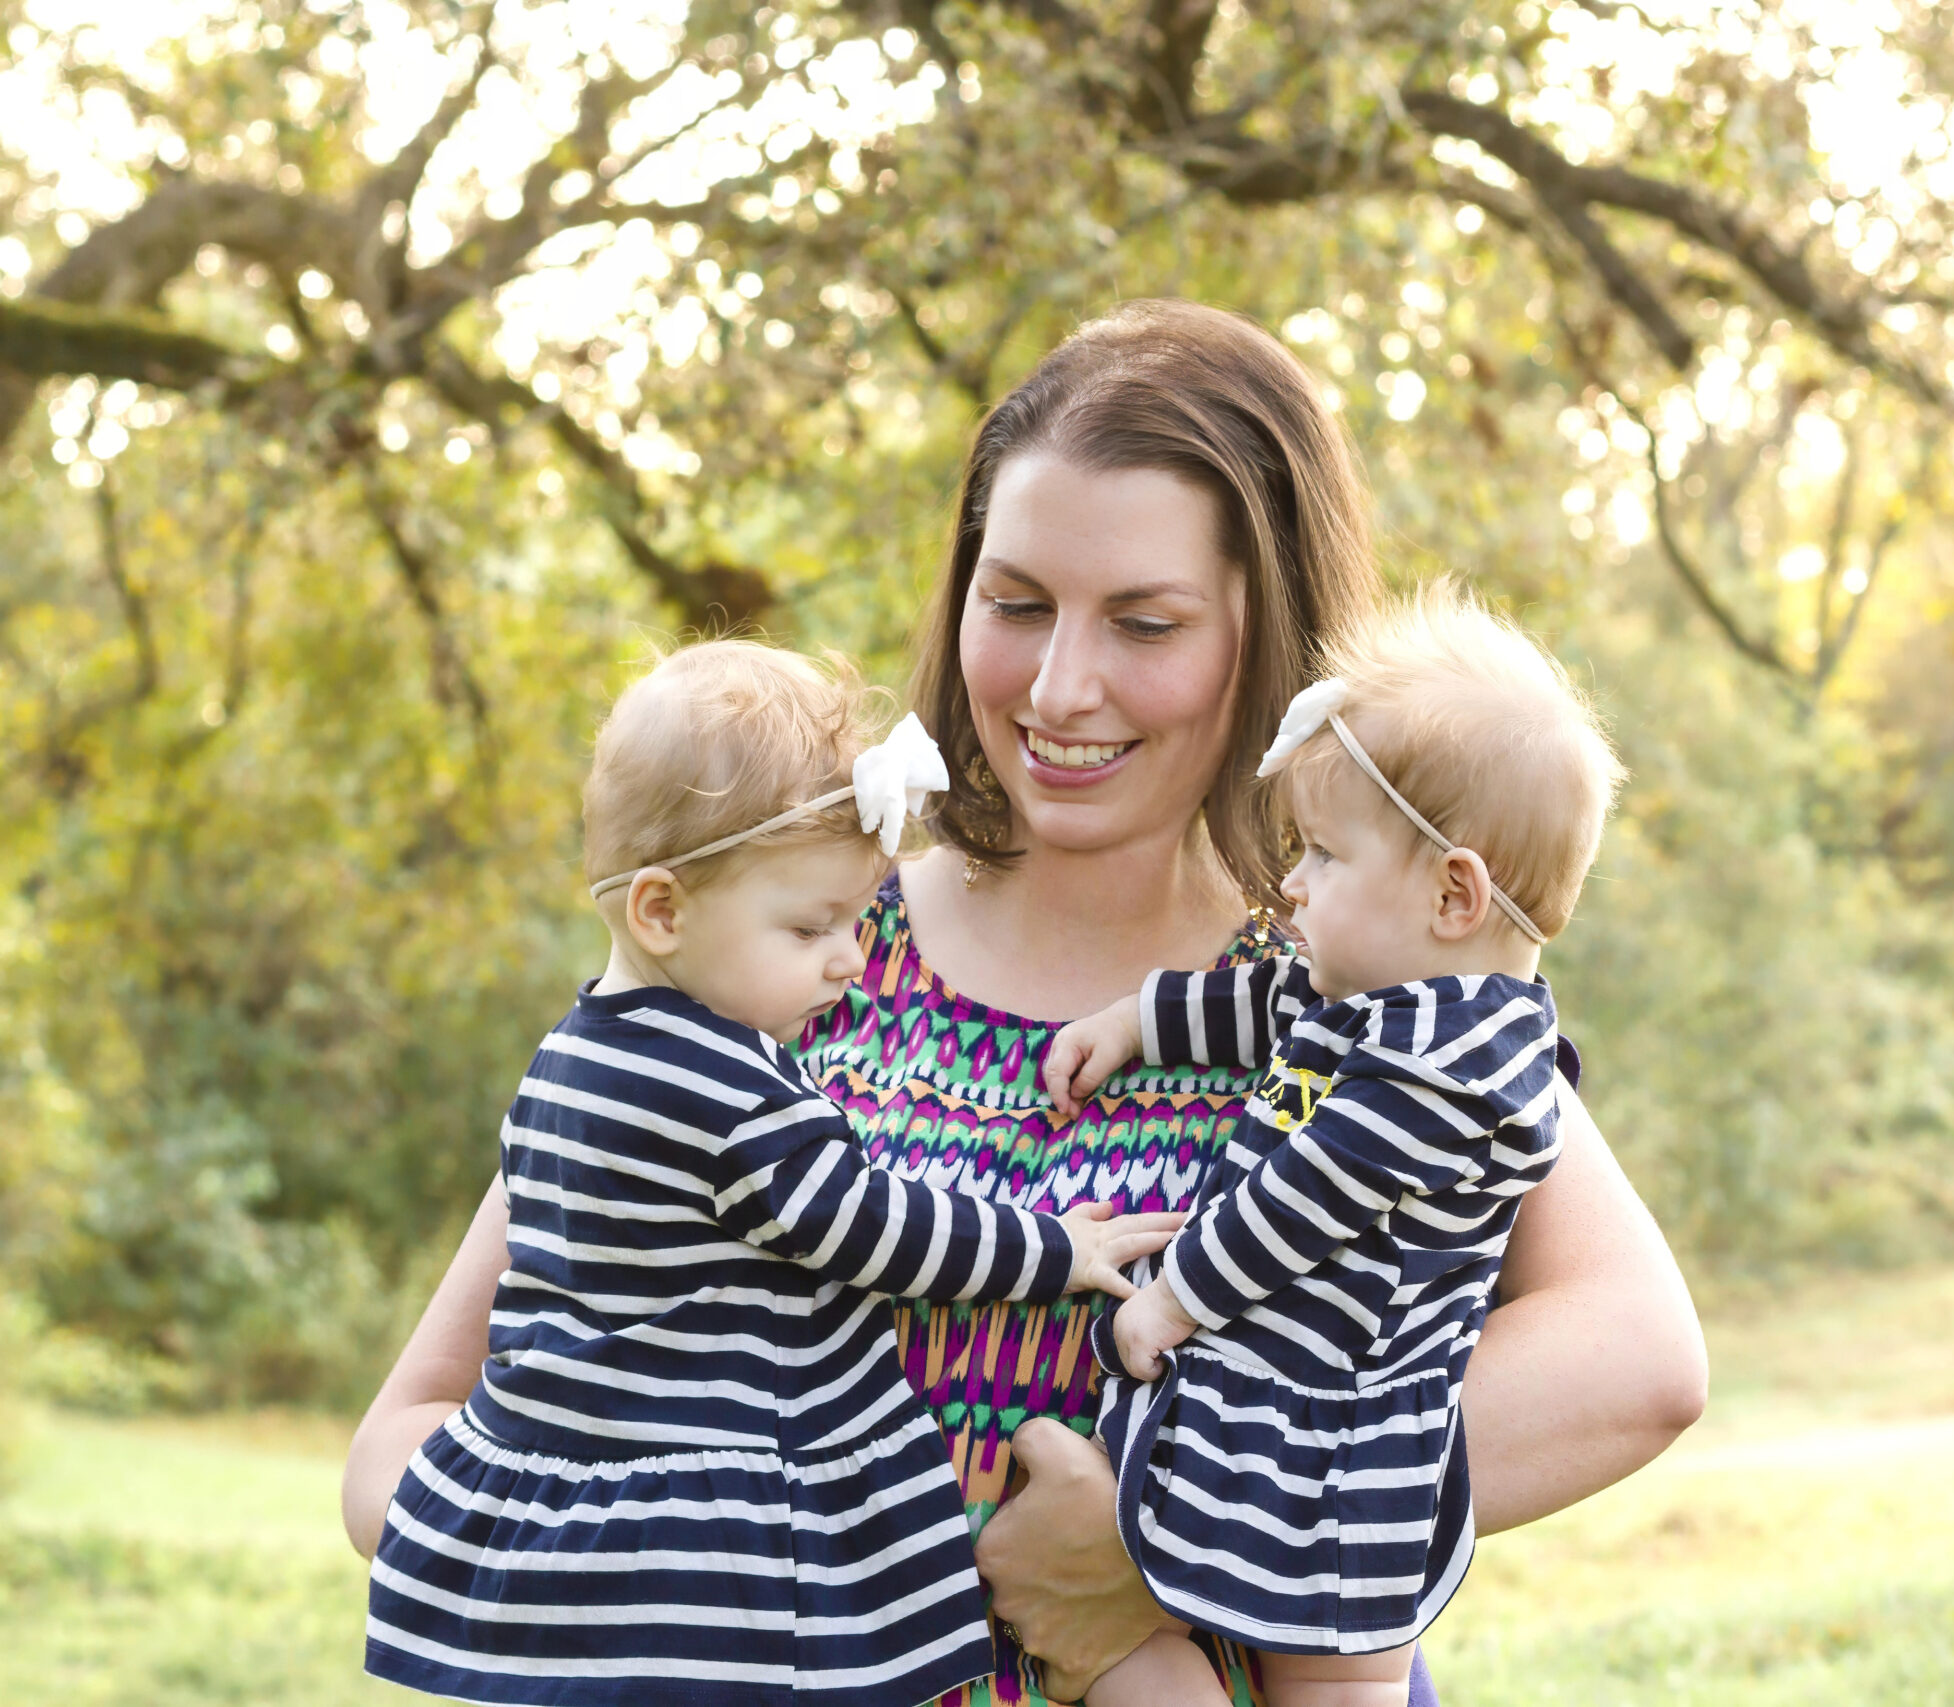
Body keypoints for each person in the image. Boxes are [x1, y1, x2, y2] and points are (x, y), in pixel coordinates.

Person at [344, 300, 1710, 1707]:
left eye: (1146, 620)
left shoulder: (1345, 993)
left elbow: (1638, 1358)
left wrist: (1165, 1555)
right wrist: (707, 1566)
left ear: (1269, 636)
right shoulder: (787, 942)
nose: (1061, 685)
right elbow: (408, 1437)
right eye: (1016, 603)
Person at [361, 639, 1183, 1707]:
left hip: (592, 1535)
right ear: (662, 911)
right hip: (718, 1559)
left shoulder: (566, 1059)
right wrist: (1056, 1246)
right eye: (810, 926)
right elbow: (876, 1228)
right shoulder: (726, 1087)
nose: (851, 957)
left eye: (852, 919)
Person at [1042, 589, 1624, 1707]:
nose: (1291, 883)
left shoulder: (1462, 1063)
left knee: (1328, 1678)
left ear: (1455, 892)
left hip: (1350, 1442)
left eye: (1322, 854)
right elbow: (1259, 1007)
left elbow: (1302, 1199)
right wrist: (1134, 1022)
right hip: (1290, 1406)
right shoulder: (1379, 999)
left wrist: (1175, 1304)